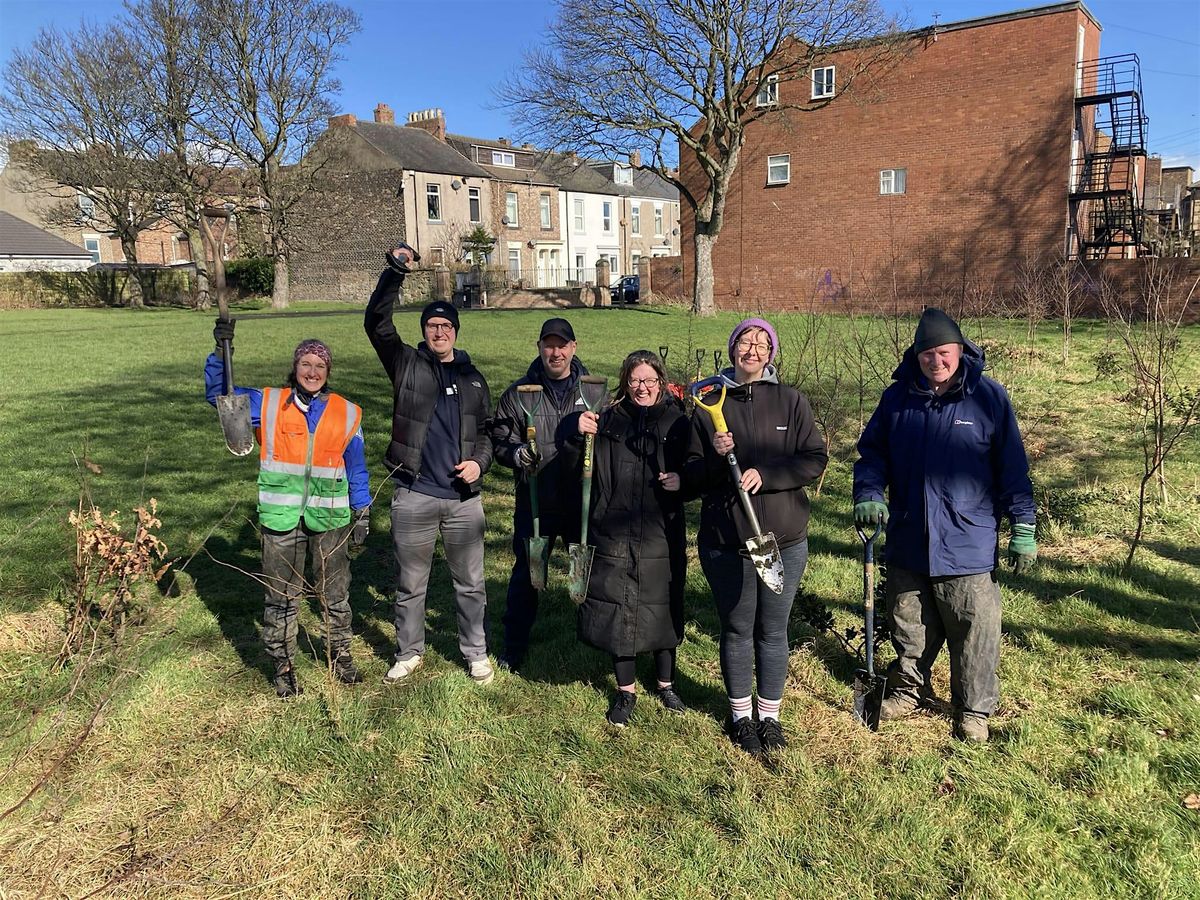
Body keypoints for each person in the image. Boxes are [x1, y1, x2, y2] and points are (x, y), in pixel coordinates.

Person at [852, 307, 1036, 743]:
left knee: (973, 628)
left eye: (944, 353)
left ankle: (973, 710)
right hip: (909, 534)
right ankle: (907, 691)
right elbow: (872, 455)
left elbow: (1012, 467)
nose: (936, 361)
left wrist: (1023, 525)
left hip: (967, 538)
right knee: (909, 624)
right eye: (927, 354)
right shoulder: (897, 399)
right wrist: (869, 493)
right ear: (916, 356)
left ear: (960, 351)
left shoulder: (988, 398)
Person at [685, 318, 828, 755]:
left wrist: (766, 474)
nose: (753, 349)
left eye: (762, 344)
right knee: (736, 629)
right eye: (745, 342)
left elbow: (814, 459)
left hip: (783, 540)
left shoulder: (791, 401)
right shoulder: (708, 403)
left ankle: (770, 718)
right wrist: (716, 456)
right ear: (732, 350)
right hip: (727, 541)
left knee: (773, 630)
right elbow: (692, 476)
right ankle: (741, 717)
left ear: (771, 354)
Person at [205, 324, 370, 699]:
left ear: (328, 372)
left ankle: (340, 655)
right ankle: (284, 668)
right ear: (295, 368)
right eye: (306, 364)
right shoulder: (266, 404)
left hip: (330, 518)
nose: (312, 372)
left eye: (320, 366)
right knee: (281, 598)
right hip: (281, 520)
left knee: (335, 594)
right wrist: (220, 353)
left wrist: (362, 510)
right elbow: (219, 396)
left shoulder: (347, 413)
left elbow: (357, 467)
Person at [364, 244, 495, 686]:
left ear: (455, 331)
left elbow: (487, 433)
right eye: (432, 325)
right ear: (424, 331)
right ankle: (408, 652)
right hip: (415, 493)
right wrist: (394, 272)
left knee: (471, 584)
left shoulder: (473, 379)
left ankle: (476, 653)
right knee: (411, 584)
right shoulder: (405, 364)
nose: (439, 332)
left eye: (446, 326)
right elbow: (376, 323)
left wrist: (479, 464)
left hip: (463, 500)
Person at [577, 350, 690, 727]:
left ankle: (666, 685)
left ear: (661, 382)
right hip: (614, 527)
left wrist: (682, 480)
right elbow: (580, 463)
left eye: (650, 380)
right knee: (618, 608)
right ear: (625, 381)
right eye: (635, 380)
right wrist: (578, 433)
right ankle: (626, 690)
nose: (642, 388)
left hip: (661, 529)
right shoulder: (608, 420)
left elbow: (696, 467)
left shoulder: (676, 421)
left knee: (663, 605)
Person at [489, 317, 590, 672]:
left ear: (574, 348)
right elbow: (499, 439)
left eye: (562, 345)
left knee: (587, 572)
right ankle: (514, 645)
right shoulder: (519, 394)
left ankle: (594, 637)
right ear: (539, 348)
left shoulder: (592, 393)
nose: (555, 352)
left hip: (580, 502)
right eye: (549, 345)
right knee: (527, 575)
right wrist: (516, 454)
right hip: (536, 501)